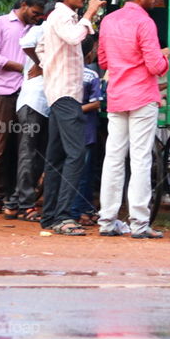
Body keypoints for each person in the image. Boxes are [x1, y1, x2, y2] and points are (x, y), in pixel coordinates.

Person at [97, 0, 169, 239]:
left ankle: (107, 220)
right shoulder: (144, 22)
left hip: (117, 96)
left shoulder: (108, 20)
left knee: (113, 158)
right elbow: (154, 66)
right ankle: (139, 222)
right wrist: (164, 59)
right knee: (140, 159)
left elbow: (103, 61)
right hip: (142, 96)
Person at [37, 0, 105, 236]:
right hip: (65, 95)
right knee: (77, 154)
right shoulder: (62, 15)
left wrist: (50, 68)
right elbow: (75, 38)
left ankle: (51, 216)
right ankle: (64, 216)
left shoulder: (57, 17)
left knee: (56, 157)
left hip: (59, 93)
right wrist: (89, 15)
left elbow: (42, 48)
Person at [0, 0, 47, 217]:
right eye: (35, 12)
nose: (37, 17)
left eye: (40, 15)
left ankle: (13, 196)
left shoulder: (37, 28)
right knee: (0, 147)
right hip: (4, 93)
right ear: (24, 5)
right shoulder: (1, 23)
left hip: (28, 95)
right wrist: (21, 67)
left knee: (24, 149)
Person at [14, 1, 54, 222]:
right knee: (29, 155)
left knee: (38, 156)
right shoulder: (41, 29)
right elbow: (26, 43)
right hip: (33, 101)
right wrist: (40, 63)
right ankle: (25, 205)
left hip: (46, 102)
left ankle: (18, 201)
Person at [69, 35, 103, 227]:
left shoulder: (65, 71)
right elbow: (96, 103)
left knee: (74, 171)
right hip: (86, 130)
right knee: (84, 174)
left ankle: (82, 209)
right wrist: (76, 110)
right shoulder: (91, 75)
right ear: (90, 53)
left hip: (67, 128)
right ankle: (78, 211)